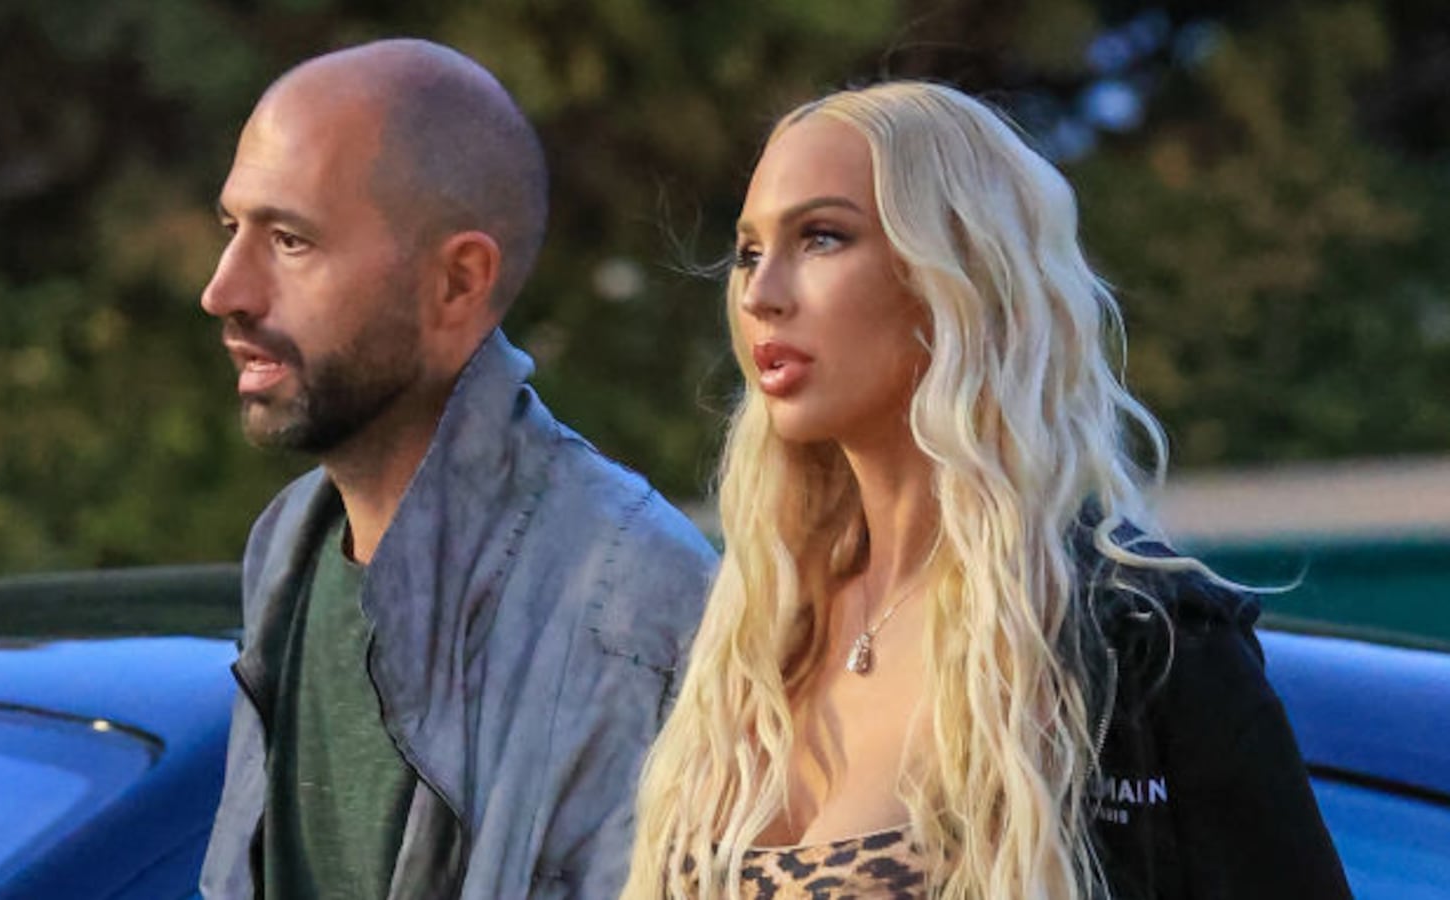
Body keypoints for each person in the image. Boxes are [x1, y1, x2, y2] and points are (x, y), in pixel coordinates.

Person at [623, 82, 1350, 899]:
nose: (761, 294)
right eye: (749, 251)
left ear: (956, 273)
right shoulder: (751, 629)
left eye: (821, 238)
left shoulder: (1132, 644)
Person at [196, 39, 715, 899]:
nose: (225, 290)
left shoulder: (633, 598)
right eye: (231, 229)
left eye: (289, 240)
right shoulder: (288, 544)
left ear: (458, 281)